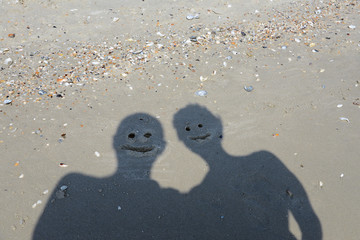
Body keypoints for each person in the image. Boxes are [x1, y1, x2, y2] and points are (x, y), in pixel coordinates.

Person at [173, 104, 322, 240]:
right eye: (187, 129)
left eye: (200, 124)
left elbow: (304, 211)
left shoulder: (263, 160)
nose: (196, 129)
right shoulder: (202, 191)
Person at [33, 113, 183, 239]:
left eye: (147, 135)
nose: (141, 140)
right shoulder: (175, 198)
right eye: (132, 135)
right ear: (162, 147)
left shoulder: (73, 179)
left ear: (113, 142)